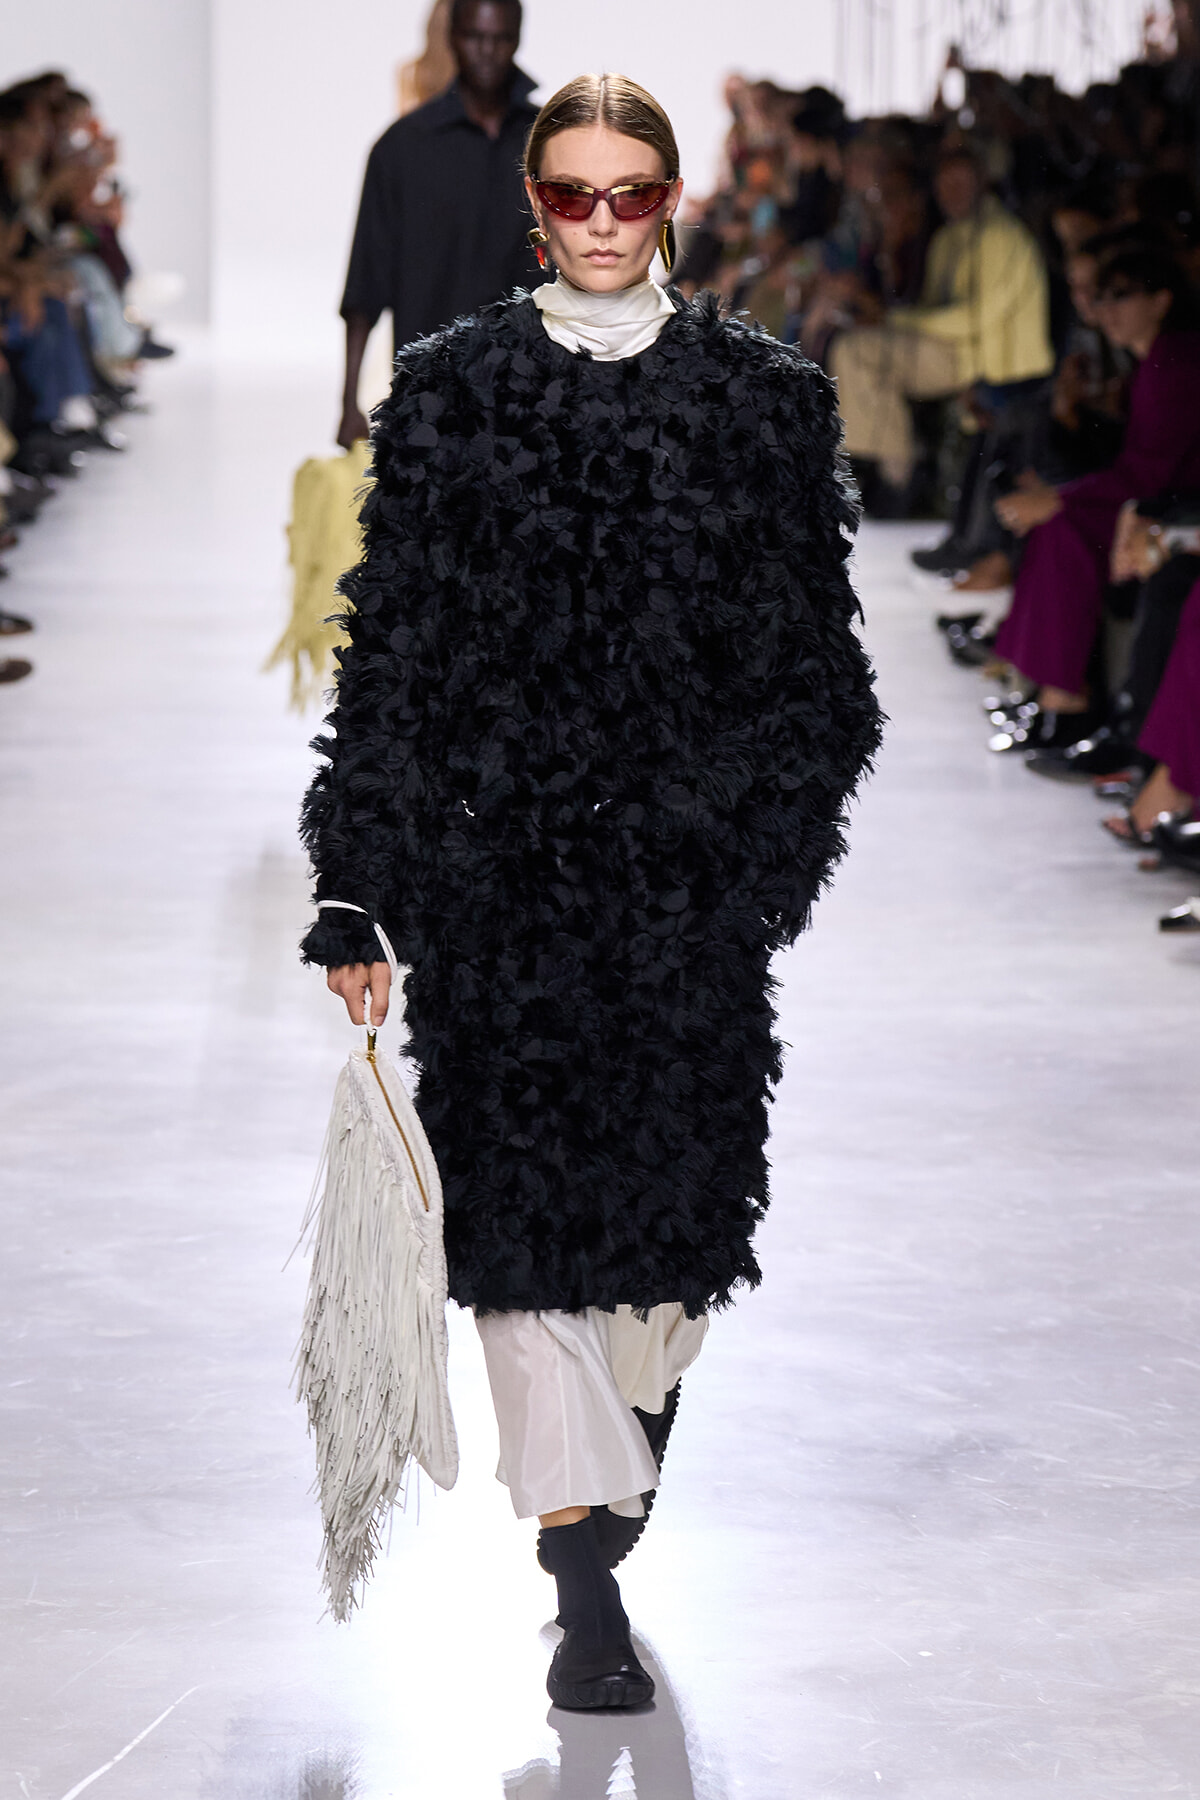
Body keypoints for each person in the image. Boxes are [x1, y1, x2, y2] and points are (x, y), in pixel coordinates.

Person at [299, 73, 882, 1710]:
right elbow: (394, 667)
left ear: (676, 199)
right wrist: (360, 886)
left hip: (686, 903)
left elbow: (824, 691)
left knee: (664, 1277)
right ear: (534, 208)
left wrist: (752, 873)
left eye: (634, 193)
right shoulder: (453, 397)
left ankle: (608, 1503)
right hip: (501, 889)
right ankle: (582, 1589)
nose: (606, 224)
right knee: (527, 1250)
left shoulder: (765, 404)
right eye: (576, 195)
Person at [990, 247, 1200, 749]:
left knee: (1063, 528)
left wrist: (1061, 499)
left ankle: (1066, 701)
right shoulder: (1155, 362)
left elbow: (1147, 472)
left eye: (1120, 296)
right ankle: (1054, 693)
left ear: (1161, 299)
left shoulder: (1176, 363)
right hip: (1156, 497)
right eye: (1099, 297)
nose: (1105, 310)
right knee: (1053, 523)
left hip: (1170, 504)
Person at [336, 0, 541, 448]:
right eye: (474, 37)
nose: (487, 51)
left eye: (500, 38)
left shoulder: (548, 142)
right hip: (431, 394)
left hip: (534, 391)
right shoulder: (400, 149)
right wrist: (348, 403)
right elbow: (366, 280)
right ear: (451, 38)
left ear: (518, 38)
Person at [831, 143, 1054, 509]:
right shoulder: (948, 238)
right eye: (945, 184)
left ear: (983, 183)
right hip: (957, 350)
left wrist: (892, 319)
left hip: (990, 358)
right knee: (854, 344)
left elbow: (977, 320)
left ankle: (898, 475)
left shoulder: (999, 235)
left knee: (860, 351)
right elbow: (932, 311)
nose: (951, 193)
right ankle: (889, 466)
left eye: (961, 182)